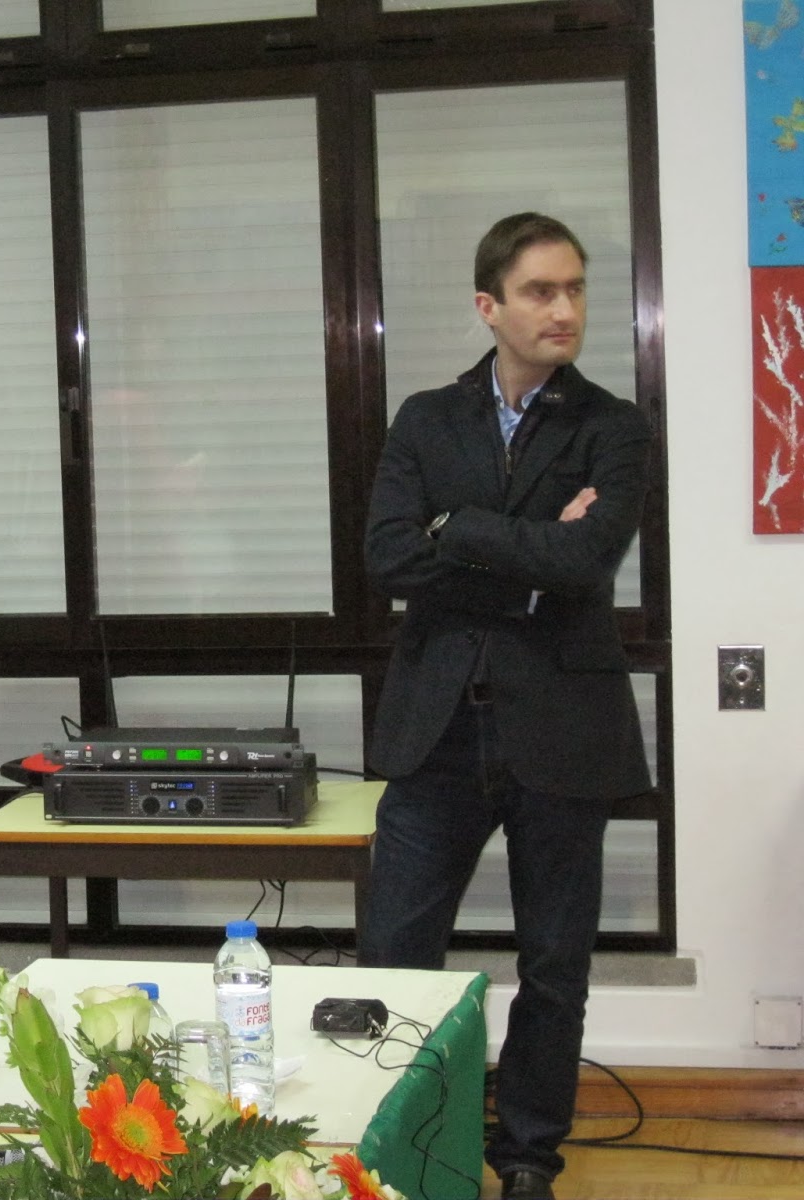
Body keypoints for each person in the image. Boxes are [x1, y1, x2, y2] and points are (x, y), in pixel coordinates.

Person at [359, 214, 652, 1200]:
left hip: (563, 729)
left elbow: (588, 559)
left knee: (554, 965)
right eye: (539, 291)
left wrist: (461, 529)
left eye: (574, 289)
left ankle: (527, 1156)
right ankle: (398, 1149)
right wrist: (528, 567)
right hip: (436, 728)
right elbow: (388, 559)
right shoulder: (424, 418)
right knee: (393, 957)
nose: (564, 308)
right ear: (489, 306)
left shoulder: (612, 427)